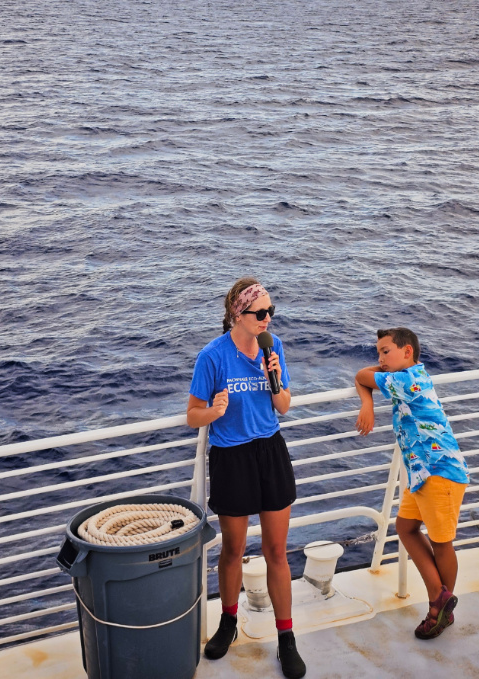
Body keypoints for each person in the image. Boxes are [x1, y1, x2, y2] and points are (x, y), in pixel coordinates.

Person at [187, 277, 306, 679]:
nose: (267, 319)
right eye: (260, 313)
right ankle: (228, 621)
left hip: (270, 451)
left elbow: (284, 406)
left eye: (271, 312)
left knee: (276, 551)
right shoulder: (213, 356)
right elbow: (193, 415)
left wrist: (274, 380)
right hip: (231, 457)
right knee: (233, 550)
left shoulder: (273, 348)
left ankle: (286, 638)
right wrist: (214, 412)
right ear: (238, 313)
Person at [354, 327, 469, 640]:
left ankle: (439, 610)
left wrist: (368, 396)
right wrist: (367, 403)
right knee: (405, 527)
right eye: (378, 352)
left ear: (408, 353)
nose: (380, 358)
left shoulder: (405, 380)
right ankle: (440, 598)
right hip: (420, 473)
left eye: (386, 351)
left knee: (442, 542)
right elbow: (362, 375)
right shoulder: (408, 375)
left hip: (438, 471)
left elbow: (362, 376)